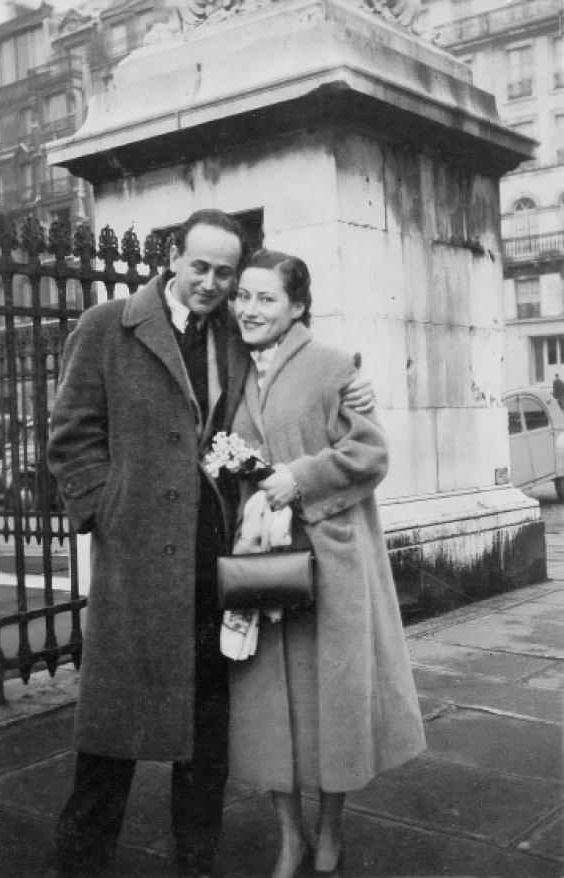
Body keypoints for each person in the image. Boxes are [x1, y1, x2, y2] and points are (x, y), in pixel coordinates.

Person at [46, 210, 374, 878]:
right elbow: (71, 434)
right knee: (110, 734)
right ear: (171, 256)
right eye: (201, 266)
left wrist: (354, 380)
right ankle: (78, 863)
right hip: (136, 557)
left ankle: (195, 862)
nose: (212, 283)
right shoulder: (108, 326)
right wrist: (105, 510)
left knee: (207, 733)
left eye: (226, 272)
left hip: (215, 554)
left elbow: (294, 352)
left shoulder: (231, 329)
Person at [226, 249, 426, 878]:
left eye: (265, 298)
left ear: (298, 306)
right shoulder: (231, 369)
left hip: (330, 562)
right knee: (267, 706)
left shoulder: (335, 366)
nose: (249, 309)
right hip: (263, 564)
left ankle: (331, 823)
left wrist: (299, 478)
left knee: (332, 705)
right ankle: (289, 835)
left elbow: (370, 454)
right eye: (243, 297)